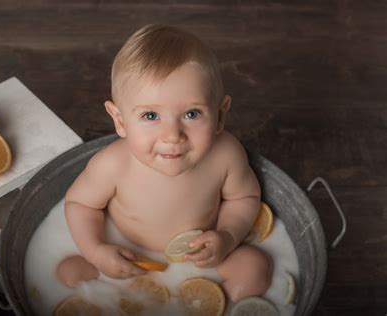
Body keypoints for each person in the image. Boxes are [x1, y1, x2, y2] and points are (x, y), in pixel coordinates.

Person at [59, 24, 273, 303]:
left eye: (192, 114)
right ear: (120, 120)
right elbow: (80, 204)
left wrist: (226, 237)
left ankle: (214, 306)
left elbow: (244, 197)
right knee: (68, 272)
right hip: (129, 256)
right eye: (150, 116)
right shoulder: (113, 164)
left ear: (220, 115)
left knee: (255, 268)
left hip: (201, 259)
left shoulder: (226, 155)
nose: (172, 136)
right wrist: (97, 251)